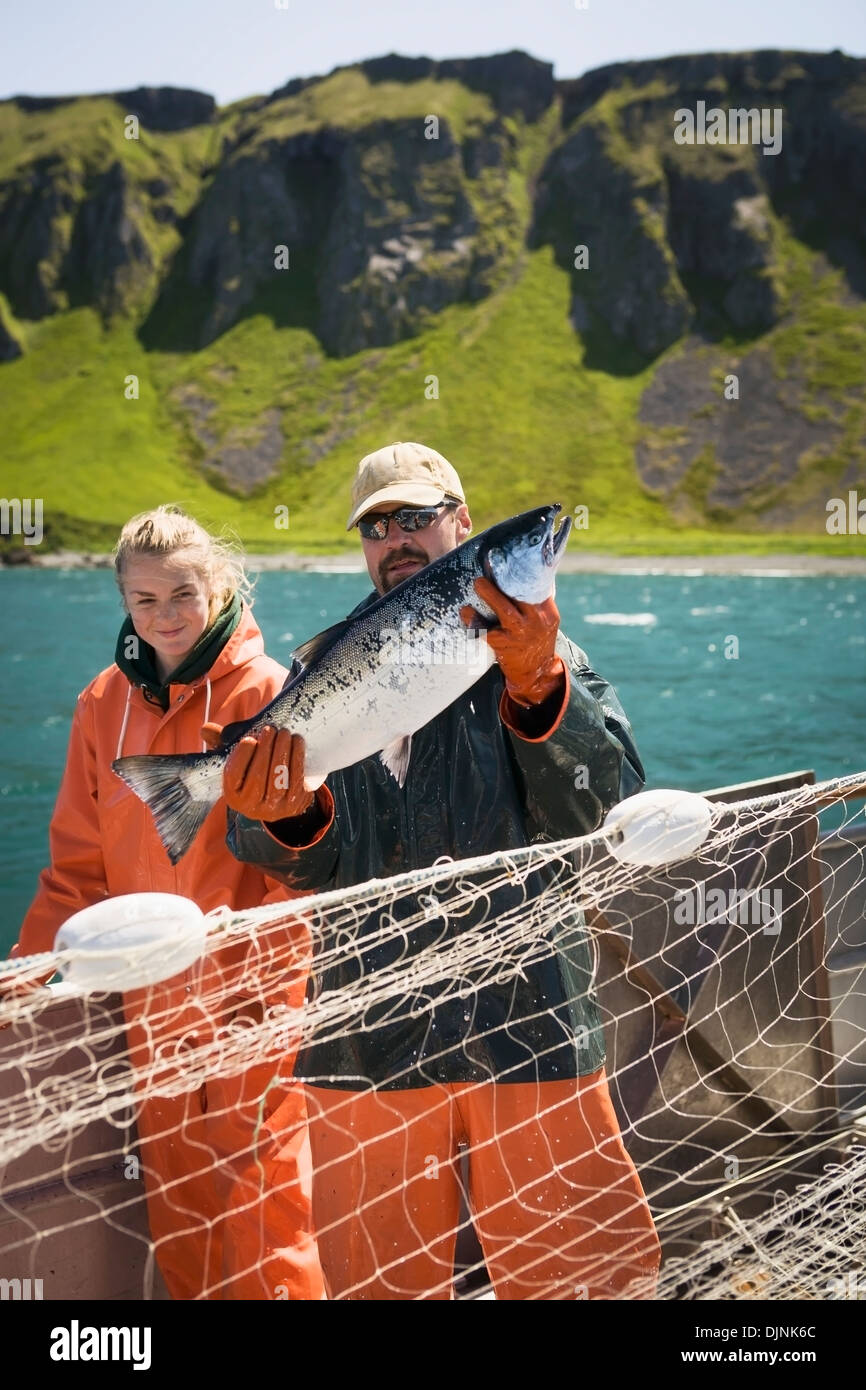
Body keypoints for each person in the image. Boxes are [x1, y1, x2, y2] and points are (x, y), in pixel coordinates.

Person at [211, 442, 661, 1300]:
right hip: (367, 1031)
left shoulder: (540, 644)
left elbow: (600, 807)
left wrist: (539, 687)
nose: (397, 539)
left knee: (586, 1280)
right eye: (377, 527)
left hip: (531, 1020)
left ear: (462, 522)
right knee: (371, 1286)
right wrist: (285, 819)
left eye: (416, 518)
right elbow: (289, 861)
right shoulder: (322, 673)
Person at [12, 505, 323, 1301]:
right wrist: (22, 979)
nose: (166, 616)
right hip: (150, 1003)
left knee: (267, 1205)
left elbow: (315, 859)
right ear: (123, 604)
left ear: (219, 586)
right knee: (182, 1212)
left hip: (260, 993)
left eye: (182, 593)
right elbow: (77, 869)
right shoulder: (99, 706)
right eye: (144, 601)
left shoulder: (274, 692)